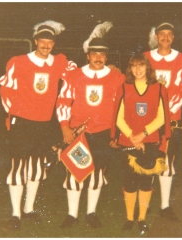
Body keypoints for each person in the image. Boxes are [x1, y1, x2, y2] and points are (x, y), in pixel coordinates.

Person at [0, 20, 77, 231]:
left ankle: (29, 208)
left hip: (44, 124)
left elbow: (76, 74)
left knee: (35, 168)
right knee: (18, 168)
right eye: (42, 41)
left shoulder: (59, 61)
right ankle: (15, 214)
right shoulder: (18, 61)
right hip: (22, 123)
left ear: (53, 43)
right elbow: (5, 87)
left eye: (49, 41)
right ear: (35, 41)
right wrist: (12, 114)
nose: (46, 45)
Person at [56, 33, 125, 228]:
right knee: (74, 171)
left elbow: (122, 108)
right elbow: (63, 101)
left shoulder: (117, 78)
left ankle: (91, 213)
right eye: (94, 54)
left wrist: (116, 134)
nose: (98, 58)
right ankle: (71, 214)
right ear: (87, 55)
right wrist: (64, 127)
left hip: (103, 133)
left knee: (97, 173)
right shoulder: (74, 75)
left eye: (102, 54)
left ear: (107, 56)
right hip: (78, 132)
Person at [110, 53, 171, 236]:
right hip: (128, 142)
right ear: (130, 68)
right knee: (129, 183)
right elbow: (118, 118)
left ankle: (142, 218)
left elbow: (162, 117)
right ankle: (130, 218)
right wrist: (132, 137)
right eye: (134, 66)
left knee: (145, 183)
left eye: (141, 65)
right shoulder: (124, 88)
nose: (138, 69)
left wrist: (143, 135)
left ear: (148, 68)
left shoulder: (159, 88)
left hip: (150, 141)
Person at [144, 21, 182, 221]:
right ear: (156, 37)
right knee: (146, 161)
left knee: (167, 163)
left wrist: (166, 115)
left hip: (171, 120)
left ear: (173, 37)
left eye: (169, 34)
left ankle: (165, 206)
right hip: (147, 121)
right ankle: (144, 204)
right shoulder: (145, 58)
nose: (165, 38)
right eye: (161, 34)